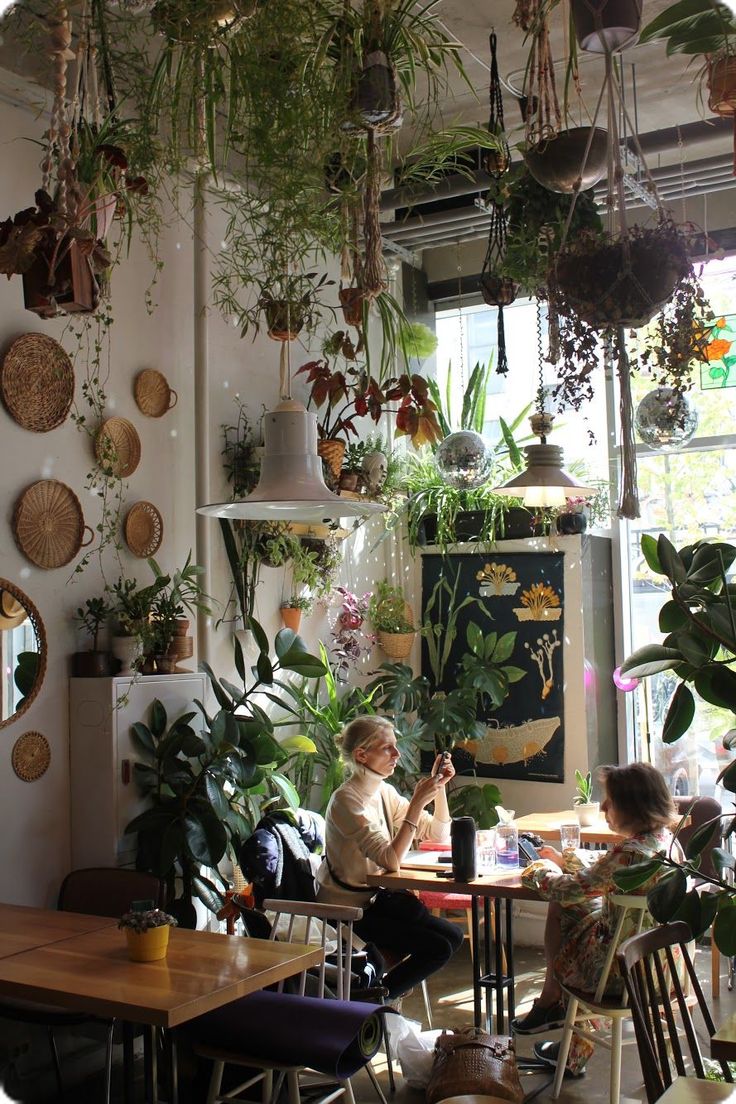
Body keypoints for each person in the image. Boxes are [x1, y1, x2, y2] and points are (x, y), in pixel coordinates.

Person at [511, 762, 680, 1075]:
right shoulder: (667, 842)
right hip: (664, 969)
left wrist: (537, 871)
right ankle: (569, 1039)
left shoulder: (629, 853)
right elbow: (604, 869)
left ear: (632, 807)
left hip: (622, 974)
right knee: (581, 912)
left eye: (610, 800)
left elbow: (571, 890)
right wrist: (569, 859)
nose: (603, 807)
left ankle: (553, 1001)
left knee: (561, 906)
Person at [317, 716, 464, 1000]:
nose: (397, 754)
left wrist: (440, 787)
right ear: (362, 755)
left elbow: (437, 833)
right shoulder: (347, 801)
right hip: (348, 912)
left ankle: (375, 996)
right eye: (388, 748)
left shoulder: (383, 792)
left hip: (375, 902)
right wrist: (418, 802)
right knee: (439, 947)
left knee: (453, 936)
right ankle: (373, 1000)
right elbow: (390, 860)